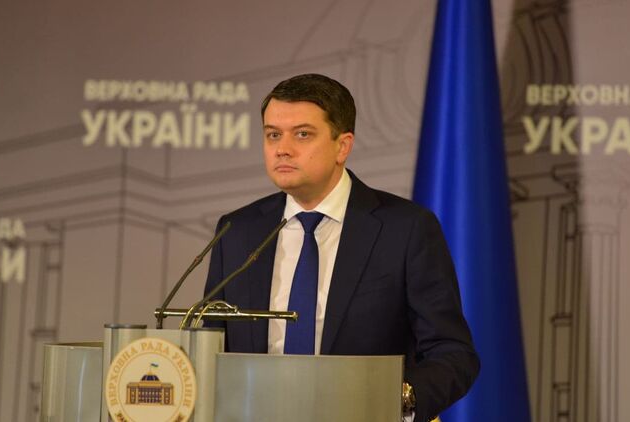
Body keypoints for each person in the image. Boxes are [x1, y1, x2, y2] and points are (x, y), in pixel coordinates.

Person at [203, 73, 479, 421]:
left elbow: (452, 352)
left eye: (302, 134)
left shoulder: (405, 229)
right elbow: (210, 345)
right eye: (273, 134)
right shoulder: (237, 231)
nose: (282, 148)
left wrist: (398, 399)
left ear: (342, 146)